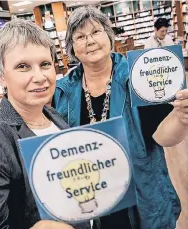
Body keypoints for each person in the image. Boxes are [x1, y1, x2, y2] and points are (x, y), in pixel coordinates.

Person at [53, 6, 188, 229]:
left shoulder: (137, 77)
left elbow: (163, 137)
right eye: (80, 37)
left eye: (96, 32)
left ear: (109, 36)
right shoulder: (63, 92)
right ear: (72, 48)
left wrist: (181, 117)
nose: (90, 41)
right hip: (92, 202)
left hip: (140, 196)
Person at [0, 19, 89, 229]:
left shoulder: (54, 116)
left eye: (45, 64)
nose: (39, 77)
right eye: (23, 66)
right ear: (2, 76)